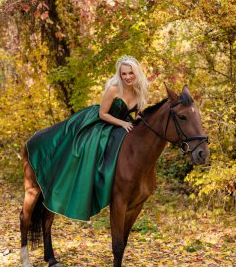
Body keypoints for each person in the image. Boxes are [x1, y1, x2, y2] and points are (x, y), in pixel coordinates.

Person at [26, 55, 148, 221]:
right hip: (102, 122)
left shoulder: (139, 91)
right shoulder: (113, 89)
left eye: (130, 73)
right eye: (124, 74)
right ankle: (79, 182)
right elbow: (102, 113)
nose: (127, 77)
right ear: (119, 75)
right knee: (85, 148)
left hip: (122, 126)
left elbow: (139, 115)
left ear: (136, 73)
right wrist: (121, 123)